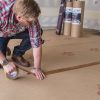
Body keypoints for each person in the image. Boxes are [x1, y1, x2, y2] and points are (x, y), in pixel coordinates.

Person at [0, 0, 45, 80]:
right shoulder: (2, 11)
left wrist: (37, 68)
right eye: (30, 22)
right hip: (2, 33)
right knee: (1, 64)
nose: (33, 23)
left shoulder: (31, 18)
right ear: (19, 17)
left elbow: (36, 44)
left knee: (38, 32)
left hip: (14, 30)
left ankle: (17, 54)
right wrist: (5, 63)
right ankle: (3, 48)